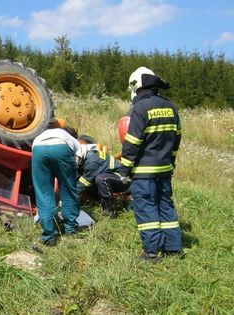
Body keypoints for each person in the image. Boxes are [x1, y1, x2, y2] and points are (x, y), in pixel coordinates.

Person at [120, 66, 183, 261]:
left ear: (137, 86)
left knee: (146, 208)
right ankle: (174, 249)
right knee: (165, 205)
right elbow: (177, 138)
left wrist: (125, 168)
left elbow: (133, 141)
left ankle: (152, 252)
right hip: (164, 169)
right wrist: (170, 161)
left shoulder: (141, 107)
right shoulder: (171, 106)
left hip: (144, 171)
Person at [31, 126, 82, 246]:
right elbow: (76, 165)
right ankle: (71, 230)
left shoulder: (44, 134)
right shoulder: (73, 140)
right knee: (68, 190)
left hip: (38, 149)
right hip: (61, 148)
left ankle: (49, 236)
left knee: (43, 193)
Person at [76, 144, 130, 218]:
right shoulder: (89, 156)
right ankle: (98, 202)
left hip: (123, 179)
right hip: (112, 176)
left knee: (101, 179)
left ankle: (110, 211)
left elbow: (82, 184)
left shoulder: (92, 161)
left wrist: (68, 199)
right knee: (97, 178)